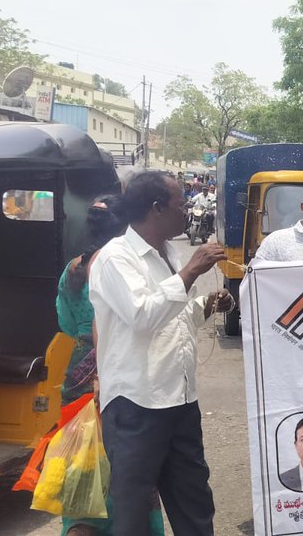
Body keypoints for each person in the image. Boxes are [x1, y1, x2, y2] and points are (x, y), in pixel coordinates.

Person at [89, 171, 234, 536]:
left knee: (194, 502)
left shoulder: (166, 254)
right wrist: (190, 271)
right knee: (134, 511)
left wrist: (207, 304)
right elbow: (142, 316)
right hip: (137, 404)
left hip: (180, 400)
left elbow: (176, 318)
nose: (186, 211)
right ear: (156, 208)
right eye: (181, 204)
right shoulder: (115, 259)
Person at [56, 196, 166, 536]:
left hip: (78, 377)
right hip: (121, 373)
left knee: (82, 463)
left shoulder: (73, 269)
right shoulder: (128, 266)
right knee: (131, 465)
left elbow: (65, 323)